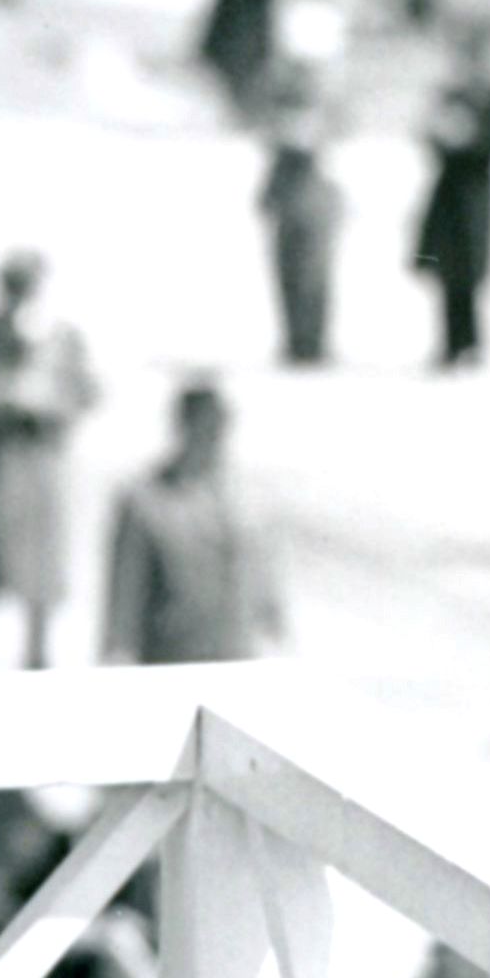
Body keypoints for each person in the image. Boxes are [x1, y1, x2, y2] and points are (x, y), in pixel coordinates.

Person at [0, 251, 96, 668]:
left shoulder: (63, 338)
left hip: (43, 467)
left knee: (41, 579)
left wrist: (46, 398)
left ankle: (39, 659)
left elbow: (87, 394)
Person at [101, 378, 285, 666]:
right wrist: (117, 657)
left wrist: (276, 633)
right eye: (205, 426)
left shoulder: (246, 496)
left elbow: (263, 577)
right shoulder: (145, 499)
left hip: (239, 658)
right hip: (174, 664)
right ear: (184, 426)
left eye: (219, 426)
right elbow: (124, 598)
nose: (213, 436)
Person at [408, 30, 490, 370]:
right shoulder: (450, 95)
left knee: (469, 272)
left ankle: (469, 340)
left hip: (475, 192)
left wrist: (464, 136)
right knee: (445, 271)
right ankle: (451, 343)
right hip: (448, 191)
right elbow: (430, 139)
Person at [257, 93, 342, 369]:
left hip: (312, 221)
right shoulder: (281, 156)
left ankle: (311, 344)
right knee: (292, 282)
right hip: (291, 221)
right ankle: (298, 343)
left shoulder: (321, 142)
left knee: (311, 283)